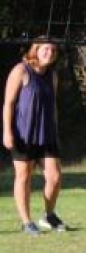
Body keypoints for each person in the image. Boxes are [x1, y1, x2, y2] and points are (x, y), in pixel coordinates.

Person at [3, 38, 67, 235]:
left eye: (53, 50)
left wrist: (55, 130)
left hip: (47, 134)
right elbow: (9, 103)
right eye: (46, 49)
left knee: (54, 177)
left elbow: (53, 106)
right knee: (24, 176)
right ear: (36, 50)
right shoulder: (20, 71)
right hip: (24, 133)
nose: (50, 52)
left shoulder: (52, 75)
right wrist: (7, 131)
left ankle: (48, 215)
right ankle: (26, 222)